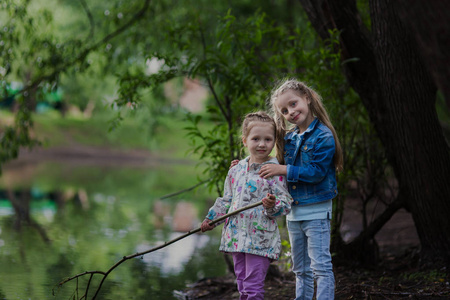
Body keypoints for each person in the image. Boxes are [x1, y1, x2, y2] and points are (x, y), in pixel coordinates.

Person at [231, 79, 343, 299]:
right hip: (294, 212)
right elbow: (267, 160)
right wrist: (244, 164)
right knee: (299, 268)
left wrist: (283, 169)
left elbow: (316, 172)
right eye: (284, 110)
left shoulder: (323, 136)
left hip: (317, 211)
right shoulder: (290, 138)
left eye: (293, 104)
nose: (290, 112)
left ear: (307, 99)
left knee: (320, 266)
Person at [201, 111, 292, 300]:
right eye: (256, 138)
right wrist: (212, 219)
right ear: (245, 141)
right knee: (242, 283)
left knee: (253, 287)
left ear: (274, 141)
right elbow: (227, 200)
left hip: (260, 240)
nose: (261, 144)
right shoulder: (236, 170)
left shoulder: (274, 171)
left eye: (268, 139)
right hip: (236, 238)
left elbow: (286, 204)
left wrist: (271, 205)